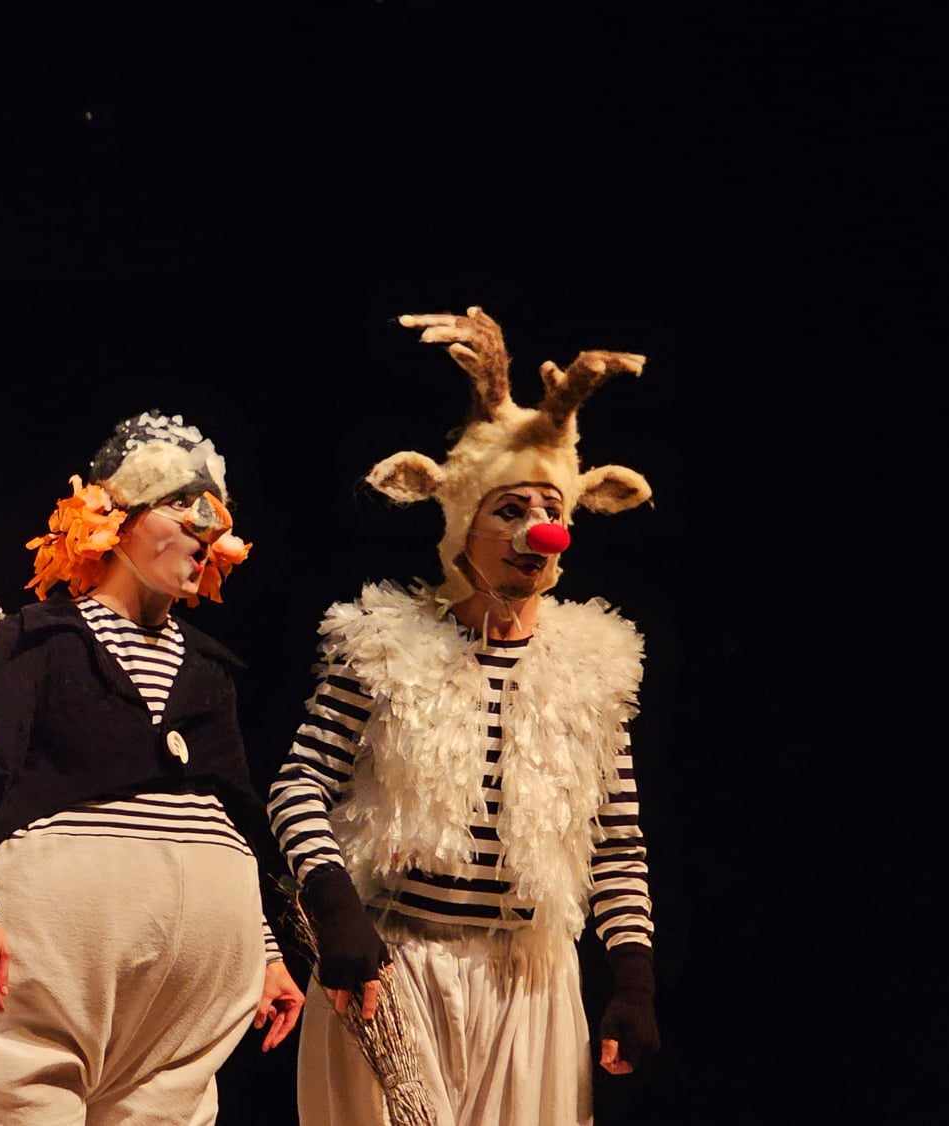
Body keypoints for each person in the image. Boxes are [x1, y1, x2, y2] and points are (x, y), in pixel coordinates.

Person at [269, 307, 661, 1125]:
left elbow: (617, 840)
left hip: (530, 984)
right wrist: (336, 911)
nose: (536, 532)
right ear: (462, 522)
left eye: (549, 511)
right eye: (509, 510)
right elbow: (299, 785)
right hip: (394, 967)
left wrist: (631, 977)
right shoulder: (383, 646)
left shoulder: (594, 668)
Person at [0, 412, 305, 1125]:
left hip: (183, 1012)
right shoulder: (41, 640)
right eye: (181, 504)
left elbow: (229, 815)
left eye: (215, 511)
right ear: (114, 520)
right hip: (46, 981)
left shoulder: (209, 669)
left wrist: (267, 951)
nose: (207, 527)